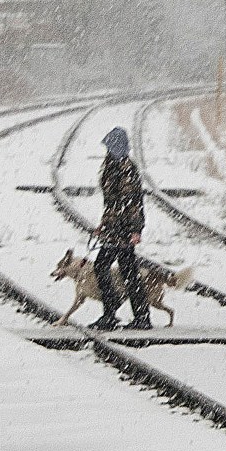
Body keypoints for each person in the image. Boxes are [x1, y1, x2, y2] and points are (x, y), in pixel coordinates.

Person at [88, 127, 151, 331]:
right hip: (113, 228)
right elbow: (111, 203)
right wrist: (103, 224)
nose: (110, 149)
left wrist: (135, 230)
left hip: (123, 229)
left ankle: (120, 312)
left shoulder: (127, 169)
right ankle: (122, 312)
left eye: (112, 146)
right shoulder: (110, 165)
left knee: (122, 271)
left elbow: (134, 202)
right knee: (122, 270)